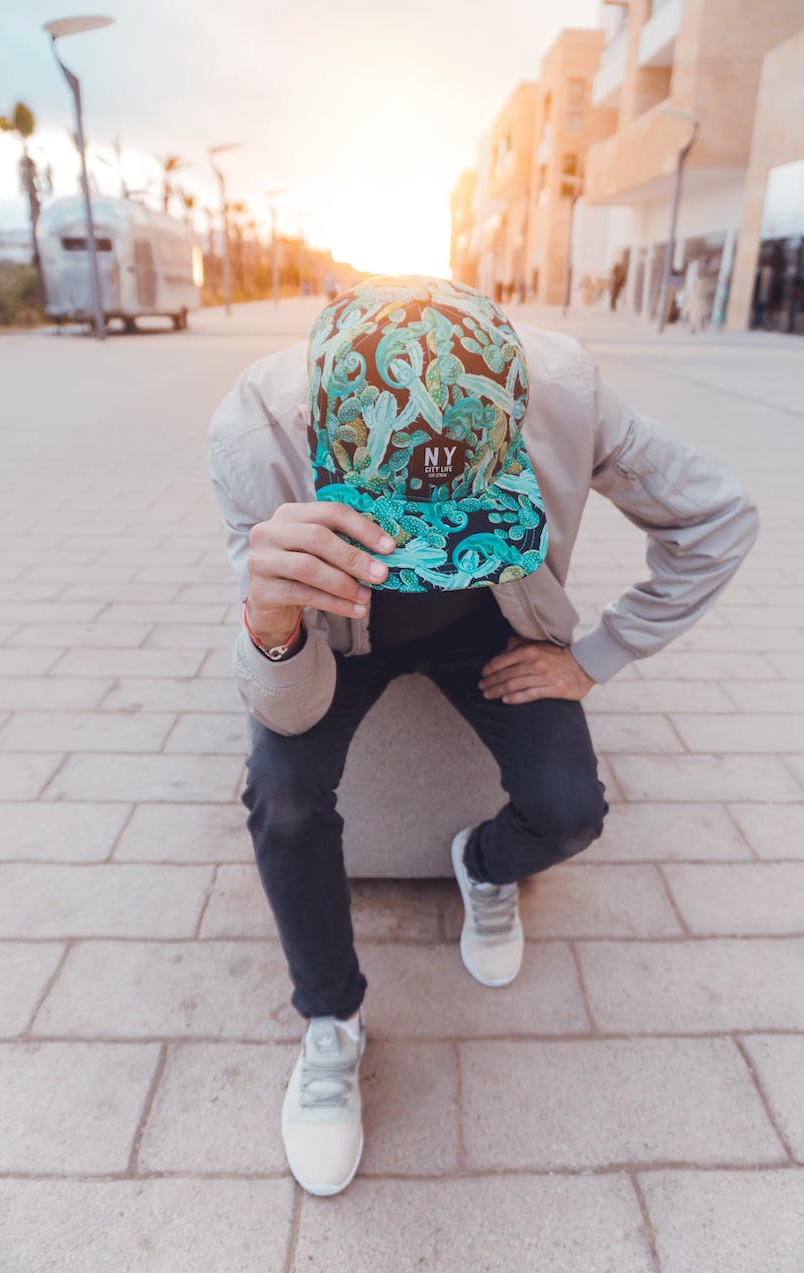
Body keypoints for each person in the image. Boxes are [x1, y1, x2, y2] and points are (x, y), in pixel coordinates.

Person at [208, 274, 758, 1198]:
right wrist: (268, 623)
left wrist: (600, 654)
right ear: (316, 432)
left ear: (517, 411)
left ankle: (484, 864)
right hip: (336, 635)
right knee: (282, 794)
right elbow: (288, 710)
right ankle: (330, 1023)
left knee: (570, 810)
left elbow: (717, 515)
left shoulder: (564, 387)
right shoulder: (252, 435)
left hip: (494, 625)